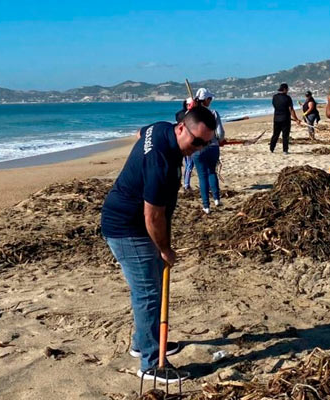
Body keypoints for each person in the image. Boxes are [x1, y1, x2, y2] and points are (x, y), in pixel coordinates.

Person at [100, 107, 217, 384]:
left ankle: (143, 342)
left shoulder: (160, 128)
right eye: (196, 142)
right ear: (181, 129)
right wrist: (165, 249)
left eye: (206, 143)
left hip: (132, 222)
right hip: (128, 228)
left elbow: (142, 132)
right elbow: (152, 215)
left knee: (149, 287)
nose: (198, 149)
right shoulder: (160, 163)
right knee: (149, 292)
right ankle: (151, 362)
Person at [192, 88, 225, 214]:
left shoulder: (192, 115)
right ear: (205, 100)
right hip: (212, 147)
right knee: (212, 172)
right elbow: (220, 132)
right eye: (209, 99)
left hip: (198, 148)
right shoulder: (213, 113)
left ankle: (206, 206)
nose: (210, 101)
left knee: (202, 176)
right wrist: (219, 140)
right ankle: (216, 199)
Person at [270, 83, 301, 154]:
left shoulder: (274, 97)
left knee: (275, 134)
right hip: (285, 119)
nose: (288, 91)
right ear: (284, 89)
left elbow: (274, 106)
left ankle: (272, 148)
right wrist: (296, 119)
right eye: (287, 89)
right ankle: (285, 150)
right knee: (285, 135)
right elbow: (291, 109)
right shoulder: (287, 98)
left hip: (276, 118)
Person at [179, 97, 195, 191]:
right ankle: (186, 184)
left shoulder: (182, 115)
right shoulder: (186, 115)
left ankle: (186, 183)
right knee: (189, 164)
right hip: (188, 142)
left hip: (184, 142)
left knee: (188, 163)